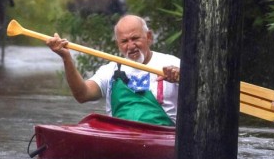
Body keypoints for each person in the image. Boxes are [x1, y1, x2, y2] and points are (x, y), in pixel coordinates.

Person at [46, 15, 180, 126]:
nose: (131, 46)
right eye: (124, 41)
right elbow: (83, 95)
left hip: (161, 136)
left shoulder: (173, 64)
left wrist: (181, 78)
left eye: (135, 38)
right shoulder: (110, 70)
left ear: (149, 37)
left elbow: (198, 93)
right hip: (119, 136)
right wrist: (66, 58)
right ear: (118, 44)